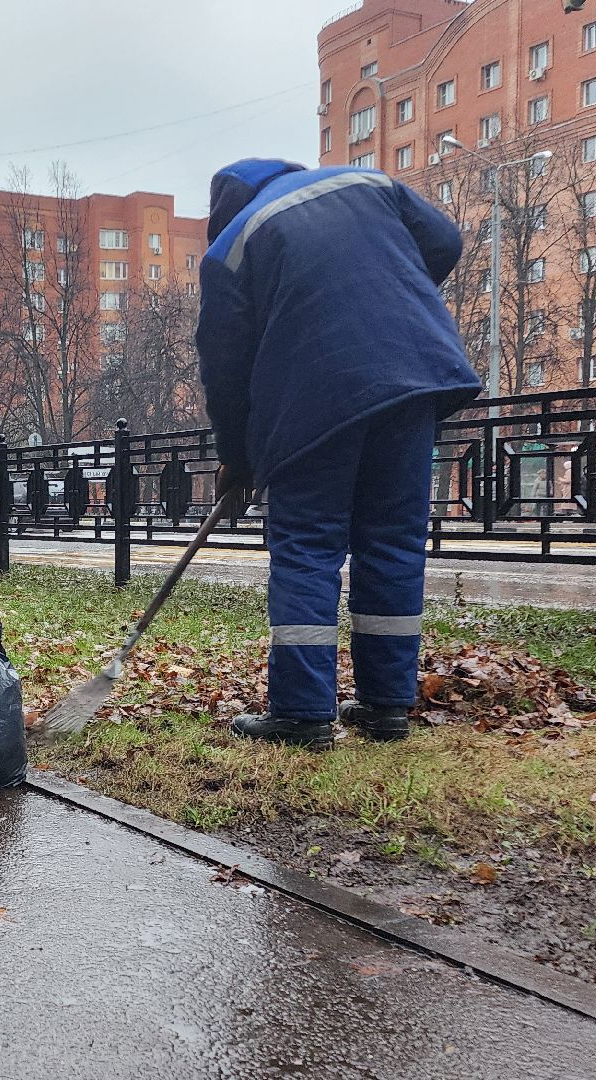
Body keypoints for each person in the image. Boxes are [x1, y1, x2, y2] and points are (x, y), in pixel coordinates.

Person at [196, 158, 481, 750]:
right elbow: (446, 241)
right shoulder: (369, 183)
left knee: (307, 544)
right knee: (393, 540)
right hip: (412, 379)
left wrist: (237, 455)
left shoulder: (231, 244)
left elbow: (225, 368)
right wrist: (387, 287)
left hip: (312, 398)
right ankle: (386, 708)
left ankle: (303, 715)